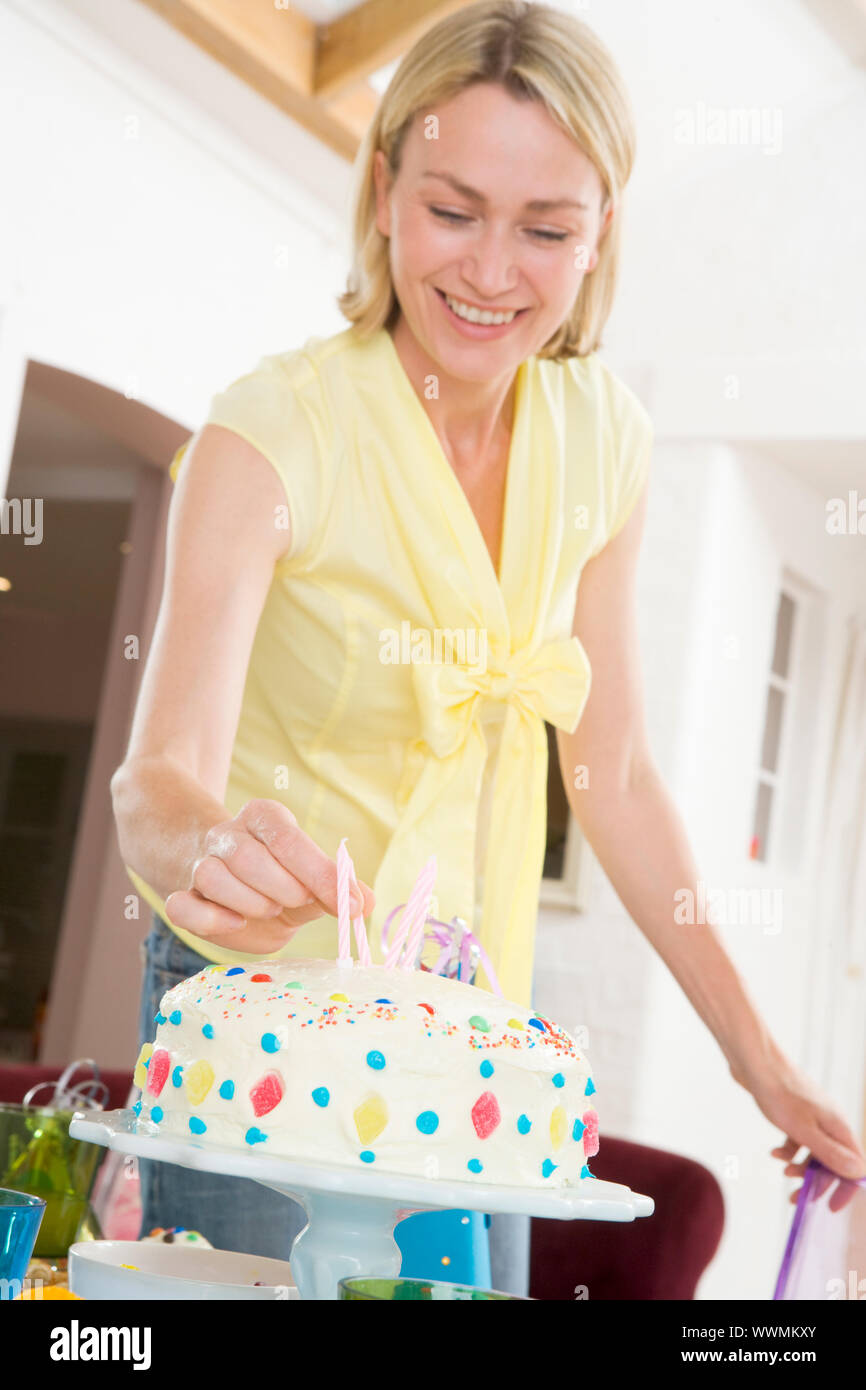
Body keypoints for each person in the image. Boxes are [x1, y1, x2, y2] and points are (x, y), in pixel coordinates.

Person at [112, 0, 866, 1296]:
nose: (490, 271)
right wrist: (209, 846)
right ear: (386, 184)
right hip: (266, 1024)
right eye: (452, 209)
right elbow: (157, 780)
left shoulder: (602, 442)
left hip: (468, 1051)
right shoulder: (272, 430)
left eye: (547, 228)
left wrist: (760, 1057)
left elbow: (613, 773)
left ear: (602, 233)